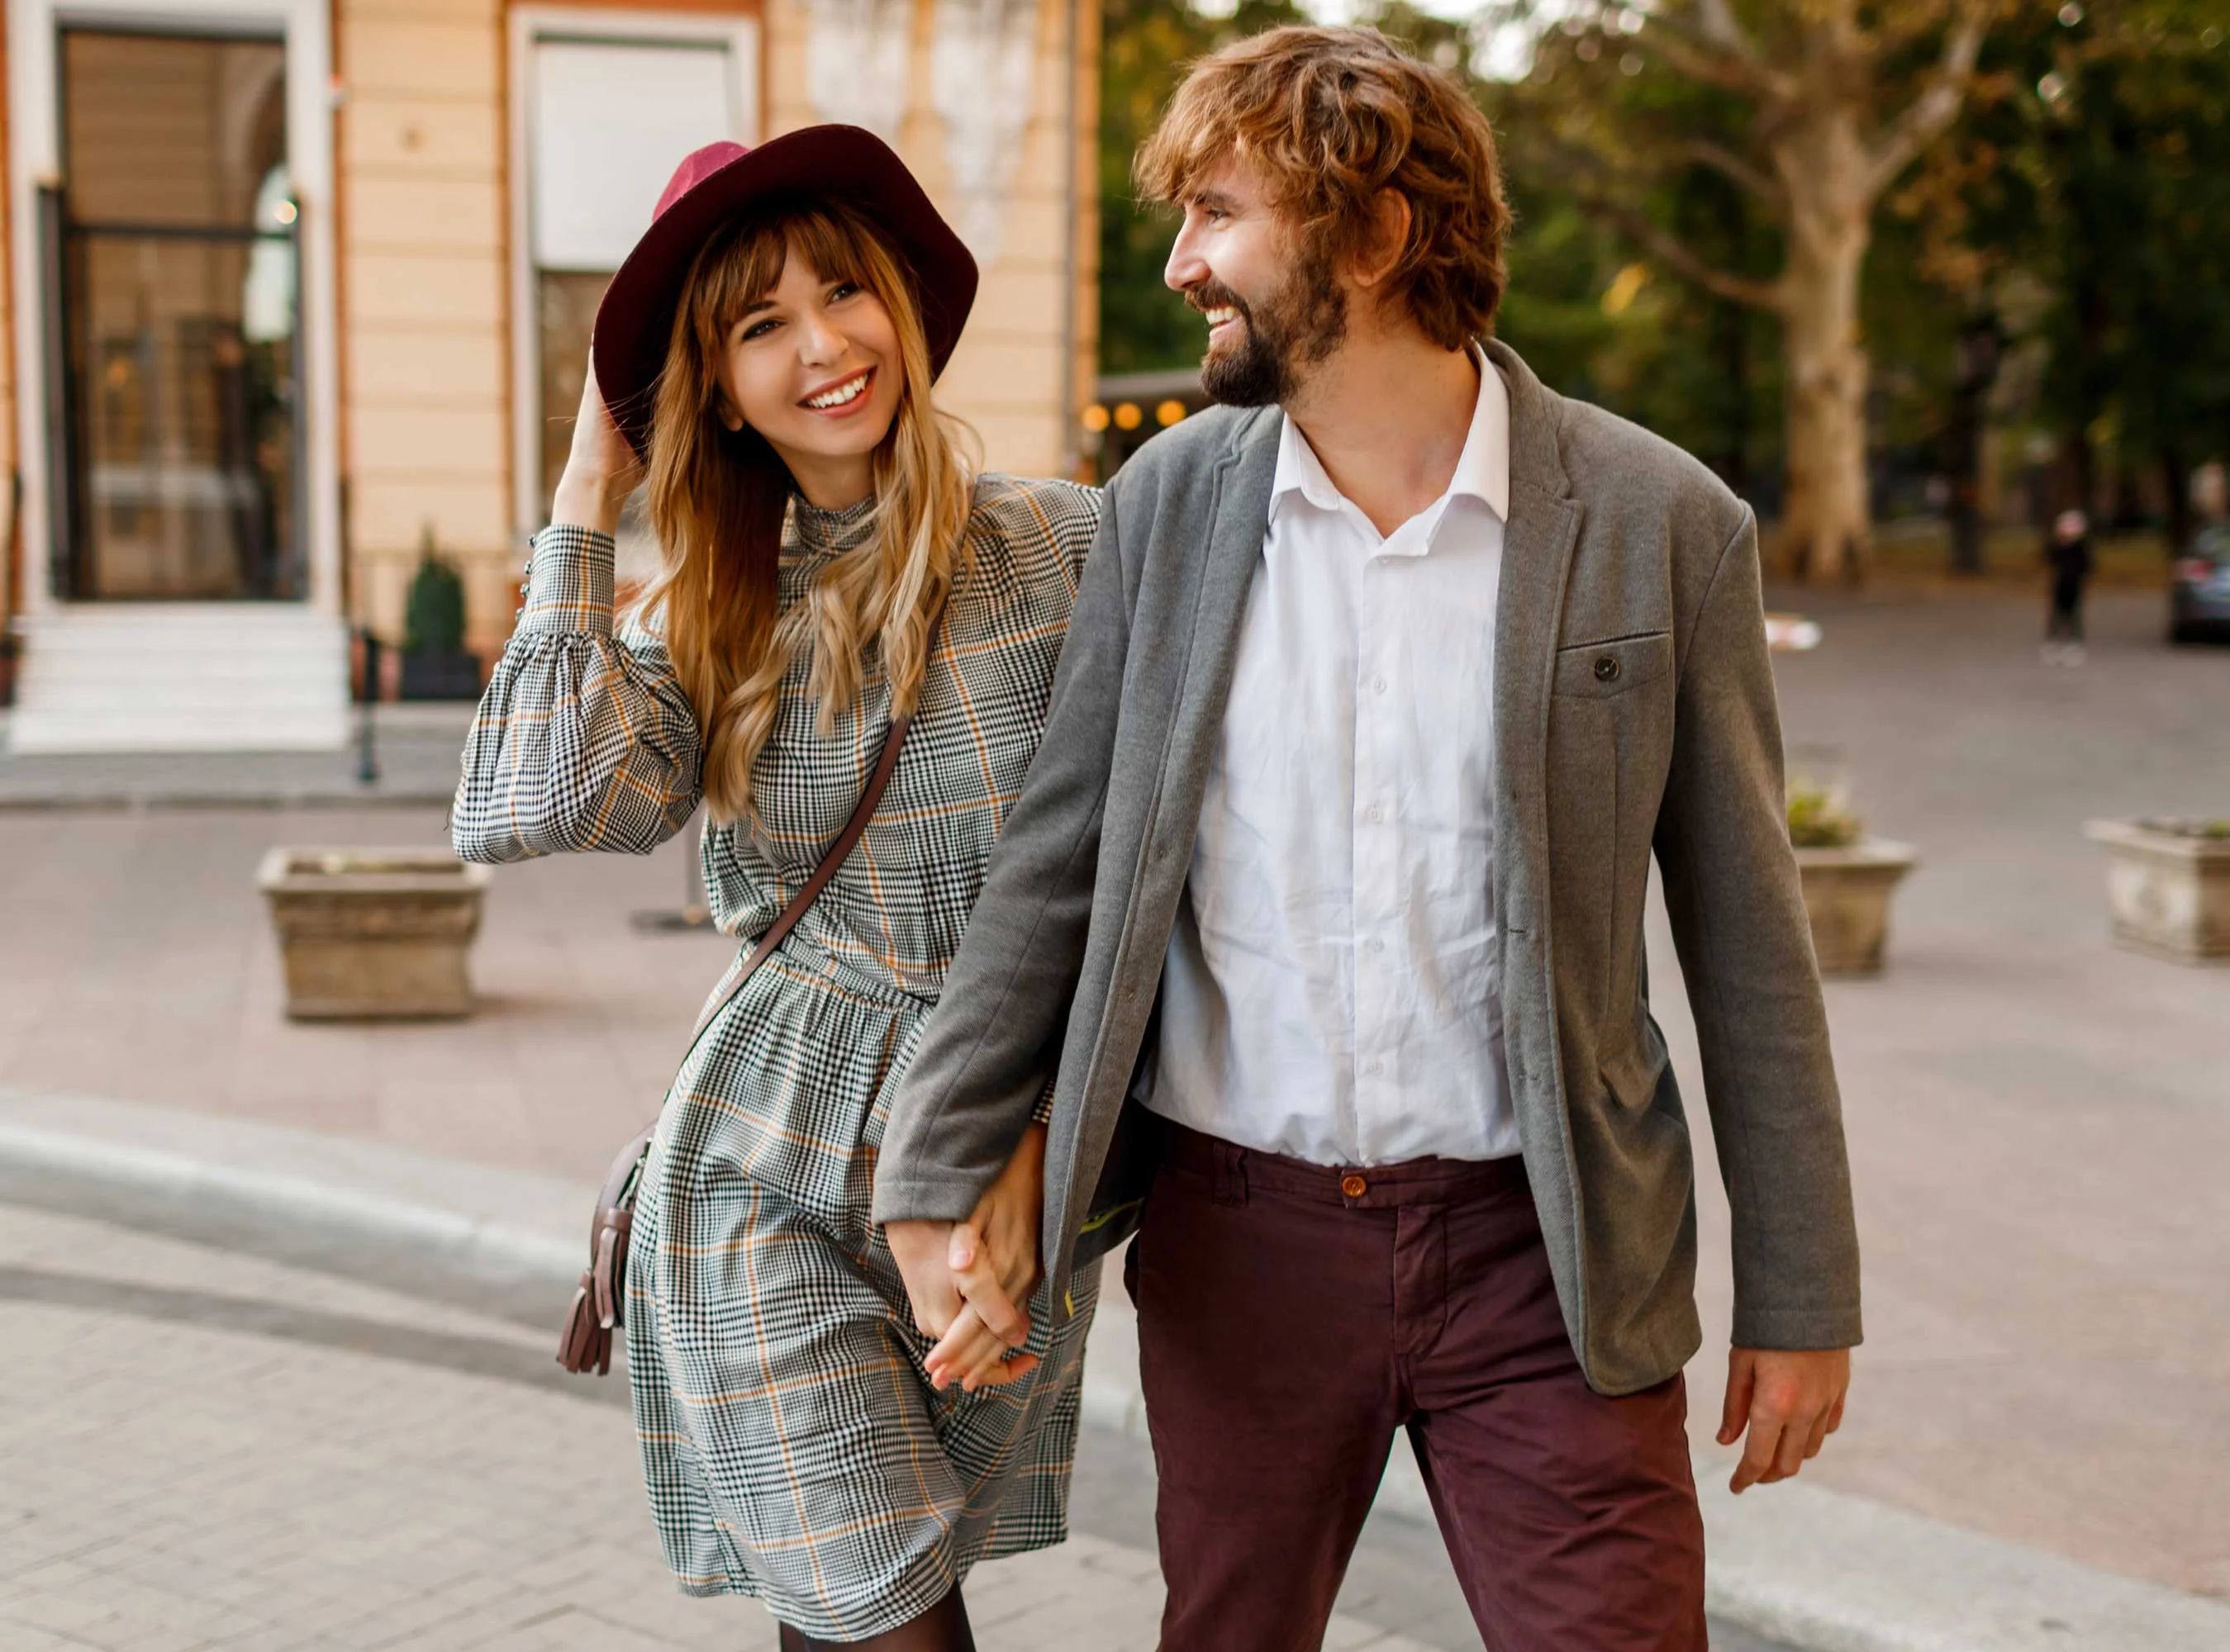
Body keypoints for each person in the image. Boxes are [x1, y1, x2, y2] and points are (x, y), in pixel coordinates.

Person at [873, 27, 1862, 1651]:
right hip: (1239, 1244)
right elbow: (1058, 870)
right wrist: (936, 1163)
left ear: (1378, 232)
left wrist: (1804, 1291)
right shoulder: (1169, 508)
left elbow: (1753, 940)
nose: (1184, 262)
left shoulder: (1660, 523)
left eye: (1217, 213)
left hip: (1549, 1253)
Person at [452, 126, 1101, 1652]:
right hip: (761, 1179)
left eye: (842, 294)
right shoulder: (706, 618)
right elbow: (530, 808)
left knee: (847, 1614)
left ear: (900, 302)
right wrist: (585, 494)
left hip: (991, 1162)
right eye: (759, 325)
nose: (824, 347)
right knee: (888, 1620)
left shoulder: (1069, 549)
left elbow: (1129, 883)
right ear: (717, 384)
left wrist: (1032, 1151)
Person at [2044, 506, 2093, 665]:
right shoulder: (2058, 548)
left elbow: (2088, 566)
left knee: (2074, 616)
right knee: (2056, 616)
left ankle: (2074, 644)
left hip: (2075, 587)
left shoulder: (2081, 549)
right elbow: (2050, 559)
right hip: (2059, 586)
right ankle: (2052, 643)